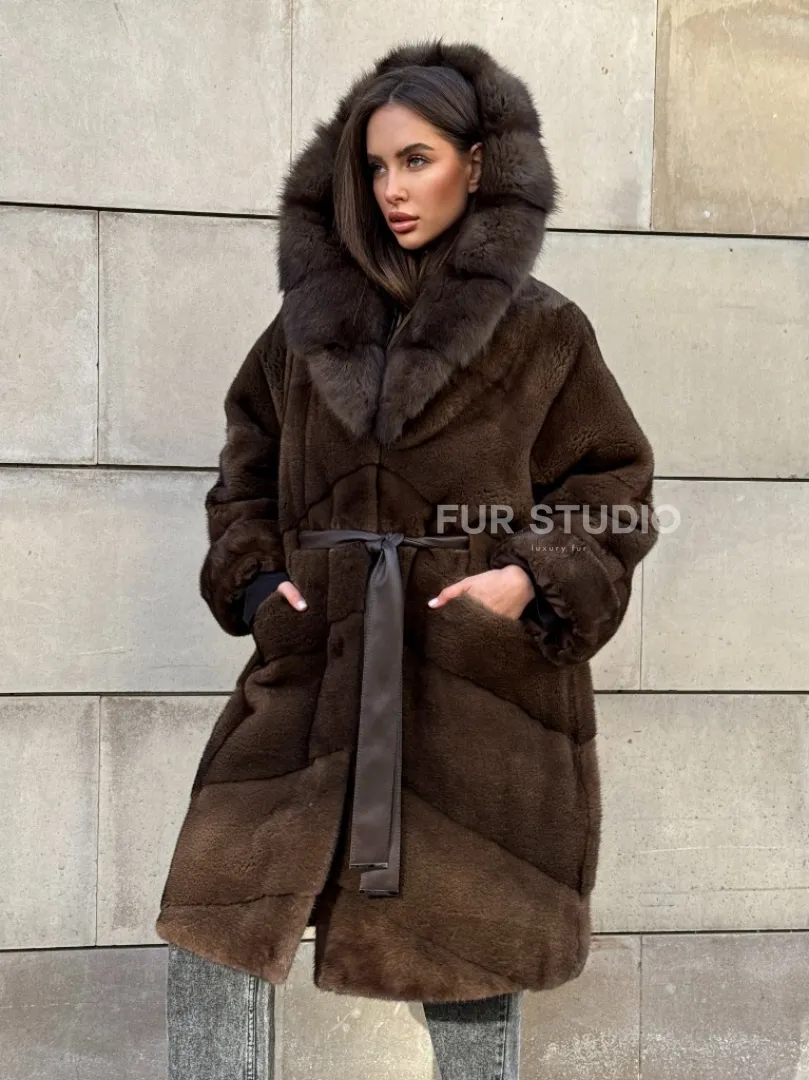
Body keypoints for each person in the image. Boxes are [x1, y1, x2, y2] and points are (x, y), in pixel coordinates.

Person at [156, 38, 659, 1079]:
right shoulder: (306, 332)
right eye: (375, 165)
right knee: (215, 922)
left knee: (466, 956)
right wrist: (260, 585)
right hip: (318, 661)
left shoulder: (543, 331)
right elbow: (244, 475)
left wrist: (525, 579)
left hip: (472, 680)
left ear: (475, 165)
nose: (391, 188)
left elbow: (614, 487)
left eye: (415, 160)